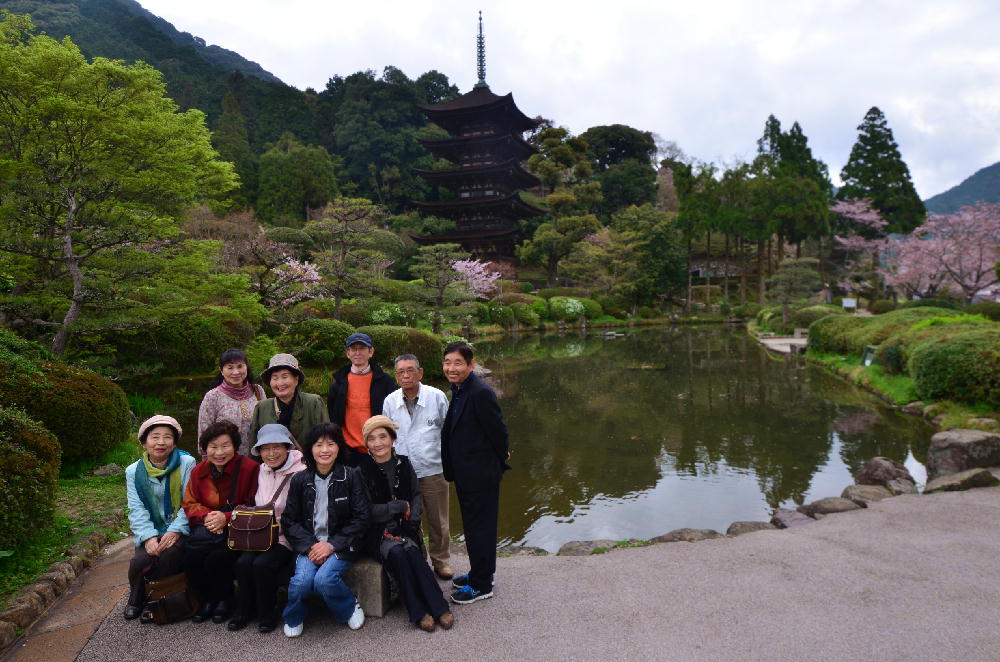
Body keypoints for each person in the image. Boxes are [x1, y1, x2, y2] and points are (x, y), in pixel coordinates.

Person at [358, 416, 454, 632]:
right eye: (372, 439)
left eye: (383, 436)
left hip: (406, 526)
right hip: (377, 532)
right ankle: (418, 610)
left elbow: (416, 496)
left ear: (392, 439)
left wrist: (411, 522)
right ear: (367, 444)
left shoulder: (404, 462)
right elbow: (366, 511)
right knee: (399, 554)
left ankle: (439, 607)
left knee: (410, 551)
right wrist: (397, 507)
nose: (378, 443)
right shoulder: (361, 471)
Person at [280, 422, 370, 638]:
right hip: (310, 545)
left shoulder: (351, 476)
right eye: (319, 445)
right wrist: (312, 546)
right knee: (301, 582)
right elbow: (289, 520)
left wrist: (331, 545)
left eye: (331, 444)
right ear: (310, 449)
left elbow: (362, 518)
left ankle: (348, 606)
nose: (325, 450)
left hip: (342, 543)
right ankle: (294, 616)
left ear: (339, 447)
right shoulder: (300, 480)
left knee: (324, 580)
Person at [441, 341, 510, 605]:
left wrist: (500, 458)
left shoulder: (480, 392)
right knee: (473, 527)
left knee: (481, 528)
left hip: (480, 474)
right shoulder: (459, 390)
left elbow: (499, 432)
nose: (451, 368)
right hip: (467, 473)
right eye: (447, 362)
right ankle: (478, 573)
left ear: (471, 365)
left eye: (458, 362)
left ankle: (482, 585)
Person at [229, 424, 306, 633]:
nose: (271, 454)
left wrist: (279, 527)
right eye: (265, 448)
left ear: (287, 447)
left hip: (285, 536)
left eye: (276, 447)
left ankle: (268, 612)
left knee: (263, 564)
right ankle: (244, 610)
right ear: (259, 451)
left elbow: (302, 513)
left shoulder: (300, 473)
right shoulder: (261, 470)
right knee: (243, 563)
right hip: (260, 533)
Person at [382, 354, 453, 579]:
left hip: (433, 468)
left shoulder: (437, 396)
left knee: (438, 519)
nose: (406, 375)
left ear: (420, 372)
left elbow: (449, 431)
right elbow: (386, 436)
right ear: (396, 376)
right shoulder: (390, 401)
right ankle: (418, 559)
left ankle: (441, 561)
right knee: (409, 519)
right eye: (401, 371)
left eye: (410, 370)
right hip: (403, 471)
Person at [182, 421, 260, 624]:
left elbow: (255, 503)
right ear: (205, 449)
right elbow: (189, 502)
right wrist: (209, 516)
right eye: (213, 447)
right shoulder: (199, 471)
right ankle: (207, 600)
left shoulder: (249, 468)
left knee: (217, 558)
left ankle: (225, 599)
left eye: (225, 445)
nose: (219, 452)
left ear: (235, 446)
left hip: (238, 530)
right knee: (191, 554)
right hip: (208, 527)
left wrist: (225, 518)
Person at [124, 415, 196, 621]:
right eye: (155, 437)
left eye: (167, 437)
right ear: (144, 442)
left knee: (168, 556)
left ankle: (154, 601)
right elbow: (136, 509)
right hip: (152, 528)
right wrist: (148, 537)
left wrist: (175, 530)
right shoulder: (133, 472)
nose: (161, 442)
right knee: (141, 559)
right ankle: (136, 596)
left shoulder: (187, 463)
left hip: (179, 526)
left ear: (175, 441)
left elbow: (189, 501)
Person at [326, 333, 396, 464]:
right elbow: (332, 414)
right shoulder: (338, 383)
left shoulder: (384, 381)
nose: (357, 353)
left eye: (362, 348)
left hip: (378, 448)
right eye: (353, 349)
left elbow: (395, 414)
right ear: (348, 353)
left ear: (371, 352)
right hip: (348, 449)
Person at [249, 353, 328, 447]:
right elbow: (254, 444)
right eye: (275, 378)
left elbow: (326, 439)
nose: (280, 383)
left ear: (296, 379)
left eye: (285, 376)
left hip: (308, 461)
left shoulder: (314, 402)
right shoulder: (262, 407)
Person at [197, 348, 266, 456]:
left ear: (246, 367)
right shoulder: (213, 396)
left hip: (258, 459)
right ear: (221, 371)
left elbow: (266, 425)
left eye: (240, 366)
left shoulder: (258, 391)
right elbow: (204, 435)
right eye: (230, 367)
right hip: (225, 460)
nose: (236, 372)